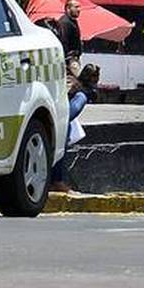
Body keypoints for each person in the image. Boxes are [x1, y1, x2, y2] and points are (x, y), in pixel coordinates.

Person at [50, 60, 100, 193]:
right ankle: (56, 181)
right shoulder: (81, 94)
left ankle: (56, 180)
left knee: (65, 132)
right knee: (64, 130)